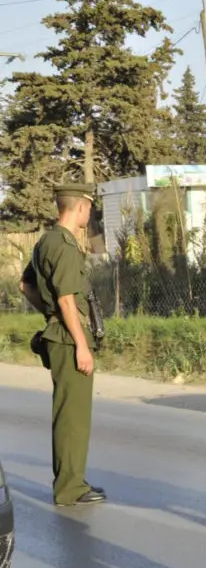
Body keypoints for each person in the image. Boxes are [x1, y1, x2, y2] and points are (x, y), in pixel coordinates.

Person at [20, 182, 106, 507]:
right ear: (79, 207)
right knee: (73, 417)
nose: (90, 212)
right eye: (89, 207)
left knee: (68, 413)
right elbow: (68, 301)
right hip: (70, 342)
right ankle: (70, 488)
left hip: (58, 336)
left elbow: (25, 285)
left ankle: (70, 481)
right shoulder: (66, 246)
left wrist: (50, 315)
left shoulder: (46, 241)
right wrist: (81, 345)